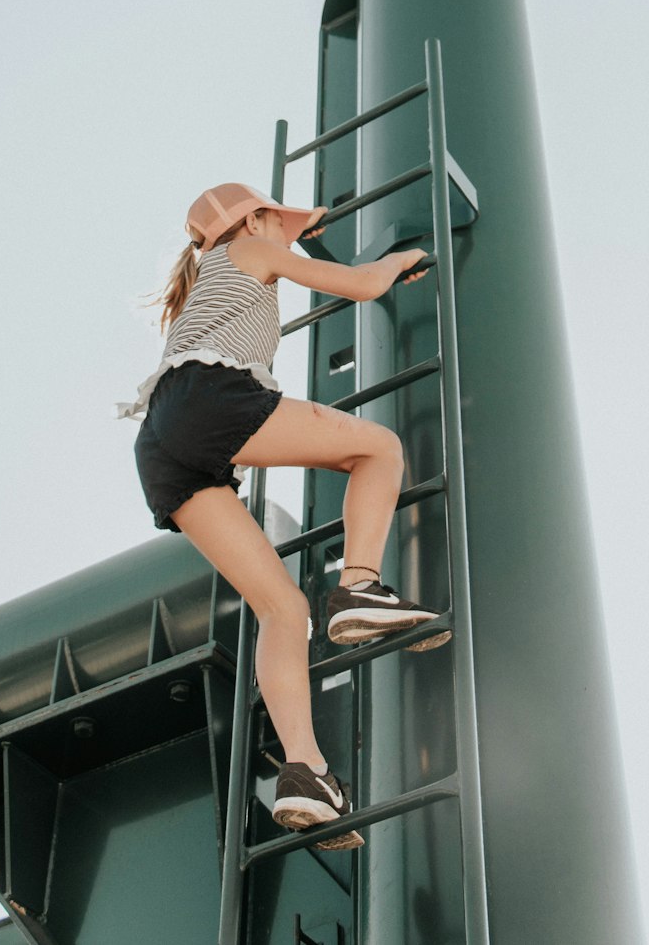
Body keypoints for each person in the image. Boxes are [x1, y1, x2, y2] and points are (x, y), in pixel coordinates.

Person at [118, 181, 451, 851]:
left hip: (161, 446)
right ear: (260, 219)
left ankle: (307, 773)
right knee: (379, 449)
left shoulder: (205, 288)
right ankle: (360, 584)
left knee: (282, 609)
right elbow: (358, 285)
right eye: (285, 226)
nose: (289, 238)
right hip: (210, 400)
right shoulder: (250, 248)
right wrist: (398, 261)